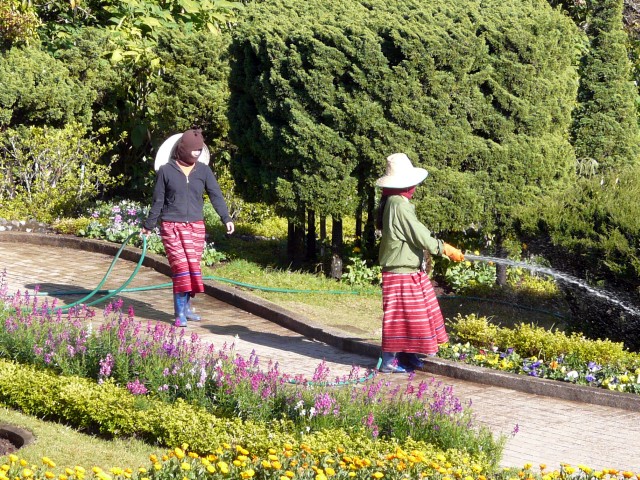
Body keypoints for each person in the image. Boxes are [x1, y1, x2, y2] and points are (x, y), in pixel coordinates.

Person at [375, 152, 464, 373]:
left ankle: (408, 355)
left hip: (408, 270)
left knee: (415, 315)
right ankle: (388, 362)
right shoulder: (398, 204)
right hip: (400, 271)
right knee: (400, 317)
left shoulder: (396, 202)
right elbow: (418, 233)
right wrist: (443, 248)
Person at [142, 128, 234, 327]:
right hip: (171, 226)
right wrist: (148, 226)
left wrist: (225, 217)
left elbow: (215, 194)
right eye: (193, 150)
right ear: (182, 148)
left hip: (195, 227)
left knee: (192, 268)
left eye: (199, 150)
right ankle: (179, 313)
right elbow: (158, 201)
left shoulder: (203, 170)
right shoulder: (166, 170)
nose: (197, 153)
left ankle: (187, 308)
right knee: (181, 267)